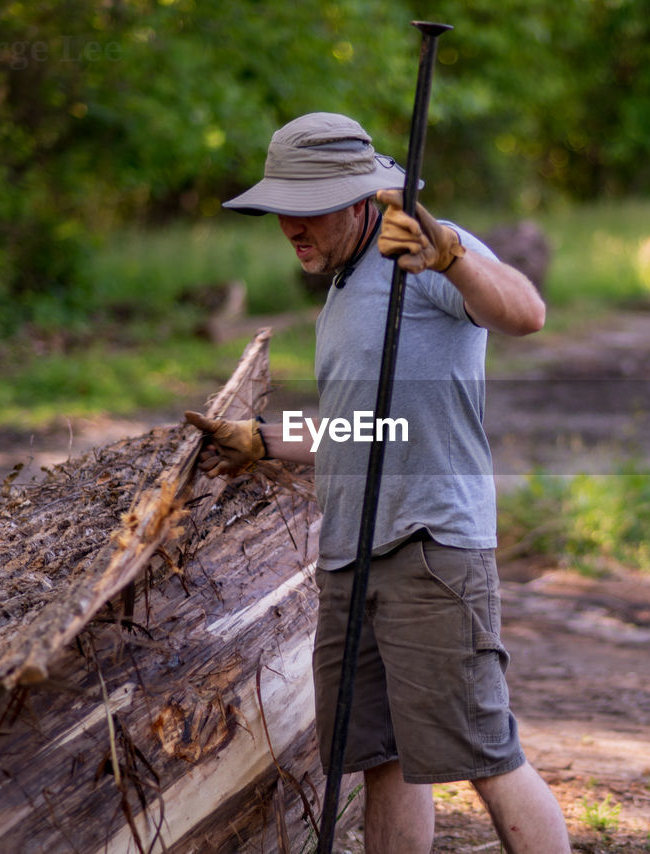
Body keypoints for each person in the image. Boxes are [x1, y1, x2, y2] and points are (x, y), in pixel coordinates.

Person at [184, 112, 570, 854]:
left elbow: (526, 313)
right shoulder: (343, 288)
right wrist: (263, 440)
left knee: (484, 754)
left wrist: (451, 256)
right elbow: (369, 430)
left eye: (309, 208)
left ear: (363, 200)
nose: (290, 227)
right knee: (381, 761)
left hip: (430, 547)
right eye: (281, 211)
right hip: (351, 555)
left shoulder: (421, 256)